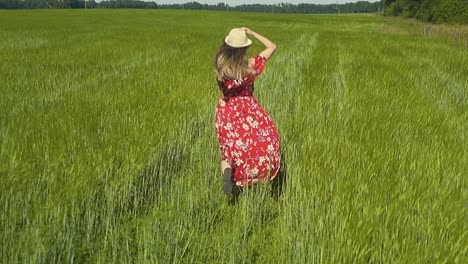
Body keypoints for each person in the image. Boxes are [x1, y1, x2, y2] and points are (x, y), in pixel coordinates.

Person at [214, 27, 280, 195]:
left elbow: (224, 51)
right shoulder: (250, 65)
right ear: (244, 48)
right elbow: (272, 46)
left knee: (228, 149)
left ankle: (227, 173)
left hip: (227, 109)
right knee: (259, 142)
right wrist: (252, 33)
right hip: (249, 109)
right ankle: (254, 175)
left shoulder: (221, 65)